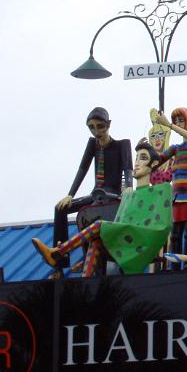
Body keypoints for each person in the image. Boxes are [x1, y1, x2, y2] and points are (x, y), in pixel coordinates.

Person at [33, 140, 172, 276]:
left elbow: (163, 226)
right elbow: (120, 223)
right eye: (136, 158)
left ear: (153, 163)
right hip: (127, 239)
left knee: (99, 225)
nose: (136, 163)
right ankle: (86, 283)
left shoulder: (162, 190)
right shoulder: (128, 196)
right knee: (96, 241)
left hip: (144, 241)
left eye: (143, 158)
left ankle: (58, 252)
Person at [53, 107, 132, 268]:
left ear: (108, 124)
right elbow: (83, 168)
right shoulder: (93, 144)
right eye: (92, 127)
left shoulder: (122, 145)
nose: (96, 131)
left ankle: (89, 257)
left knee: (89, 214)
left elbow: (128, 168)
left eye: (100, 126)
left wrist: (129, 186)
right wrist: (70, 194)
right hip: (96, 195)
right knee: (60, 208)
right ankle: (59, 260)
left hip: (112, 196)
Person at [152, 107, 187, 271]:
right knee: (174, 237)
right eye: (176, 120)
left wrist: (169, 125)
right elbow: (157, 160)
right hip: (177, 200)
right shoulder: (175, 148)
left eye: (181, 120)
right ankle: (174, 270)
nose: (177, 123)